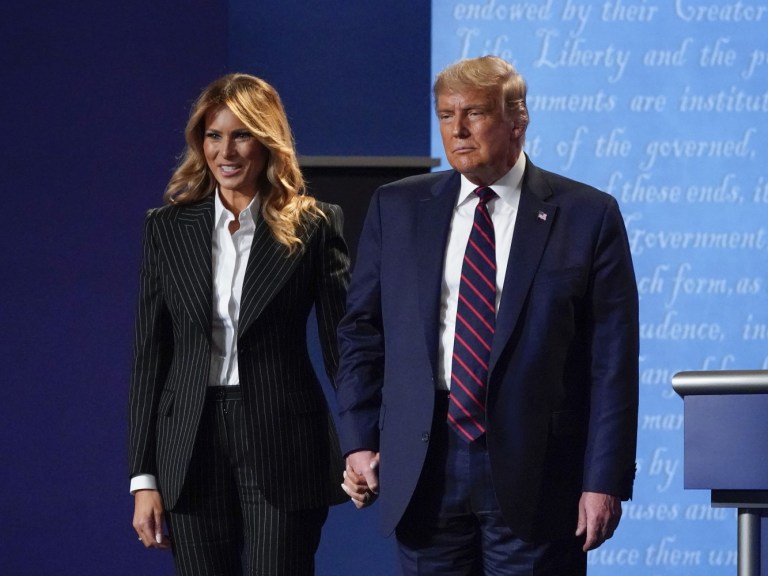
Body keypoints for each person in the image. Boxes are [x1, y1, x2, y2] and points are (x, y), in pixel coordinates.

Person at [336, 56, 639, 575]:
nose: (457, 129)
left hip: (539, 473)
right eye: (446, 114)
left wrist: (604, 479)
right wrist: (359, 440)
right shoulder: (398, 207)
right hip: (423, 466)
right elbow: (362, 332)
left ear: (517, 121)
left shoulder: (587, 214)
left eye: (474, 113)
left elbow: (611, 363)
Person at [128, 73, 350, 576]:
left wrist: (363, 441)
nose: (225, 151)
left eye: (242, 134)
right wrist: (143, 477)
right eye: (213, 135)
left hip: (284, 440)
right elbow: (149, 357)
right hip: (188, 442)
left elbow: (343, 346)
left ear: (268, 141)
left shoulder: (315, 225)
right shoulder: (165, 228)